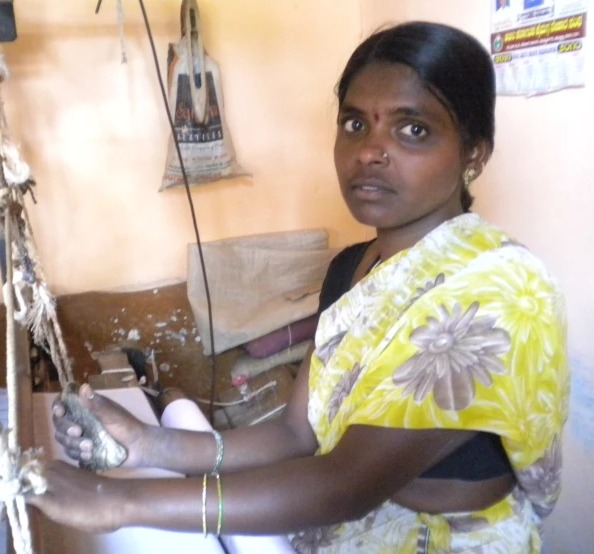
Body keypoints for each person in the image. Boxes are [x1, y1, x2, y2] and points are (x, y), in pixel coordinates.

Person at [29, 21, 568, 553]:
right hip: (348, 527)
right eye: (356, 125)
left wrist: (119, 502)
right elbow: (296, 433)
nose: (370, 151)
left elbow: (344, 483)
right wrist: (151, 444)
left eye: (413, 130)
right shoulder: (352, 267)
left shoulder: (497, 292)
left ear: (474, 153)